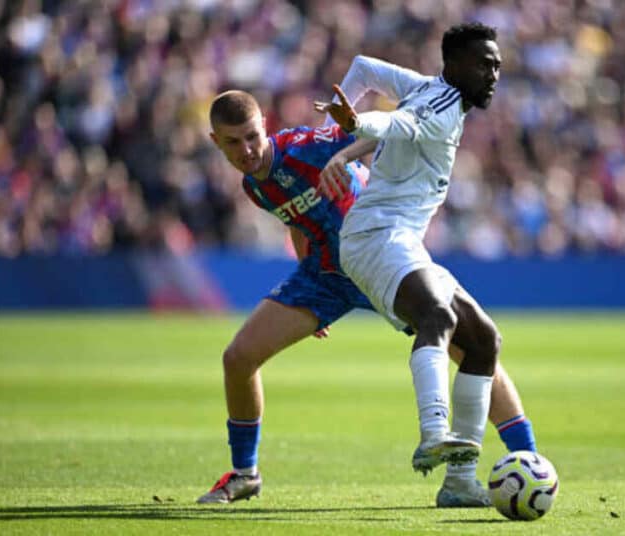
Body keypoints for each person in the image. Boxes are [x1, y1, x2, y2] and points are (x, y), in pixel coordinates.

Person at [198, 88, 537, 507]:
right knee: (238, 357)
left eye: (252, 136)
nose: (246, 150)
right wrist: (307, 291)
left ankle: (529, 458)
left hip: (379, 257)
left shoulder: (306, 147)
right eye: (233, 142)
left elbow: (389, 130)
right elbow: (297, 218)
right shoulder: (254, 184)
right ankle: (246, 473)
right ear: (216, 142)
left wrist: (345, 155)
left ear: (264, 125)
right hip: (325, 277)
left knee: (470, 347)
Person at [314, 22, 521, 506]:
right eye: (484, 64)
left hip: (401, 239)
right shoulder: (440, 108)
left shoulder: (426, 87)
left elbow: (364, 68)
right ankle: (433, 433)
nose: (494, 73)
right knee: (437, 315)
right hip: (374, 236)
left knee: (485, 341)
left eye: (497, 65)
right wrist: (352, 126)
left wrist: (338, 130)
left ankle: (460, 482)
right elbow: (394, 124)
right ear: (453, 65)